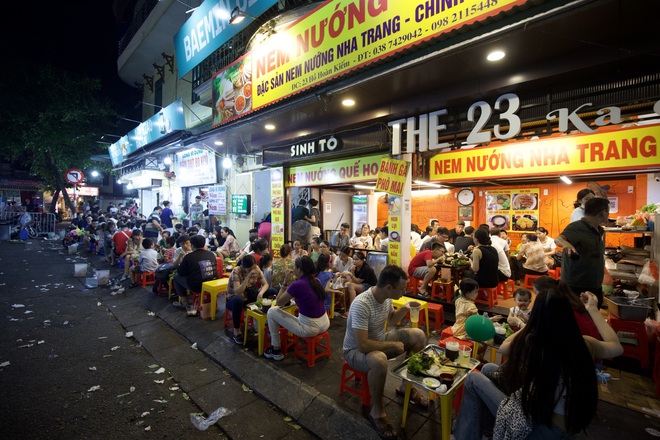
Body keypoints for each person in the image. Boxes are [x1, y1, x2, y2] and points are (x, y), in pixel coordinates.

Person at [453, 281, 622, 440]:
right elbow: (616, 346)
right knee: (489, 368)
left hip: (539, 426)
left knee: (472, 379)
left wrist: (523, 323)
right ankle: (489, 429)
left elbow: (504, 347)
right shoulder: (583, 343)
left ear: (538, 316)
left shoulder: (536, 343)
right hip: (569, 424)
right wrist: (593, 309)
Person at [342, 265, 428, 440]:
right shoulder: (362, 304)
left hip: (379, 340)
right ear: (389, 287)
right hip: (354, 351)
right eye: (402, 288)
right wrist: (393, 344)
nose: (405, 291)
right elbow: (363, 345)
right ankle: (376, 411)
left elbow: (391, 319)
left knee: (419, 336)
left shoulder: (387, 298)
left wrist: (405, 308)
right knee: (380, 360)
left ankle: (406, 387)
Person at [264, 256, 330, 361]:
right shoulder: (316, 281)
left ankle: (276, 349)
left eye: (294, 266)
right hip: (325, 323)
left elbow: (279, 302)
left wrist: (285, 283)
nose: (293, 268)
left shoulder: (297, 284)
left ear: (299, 269)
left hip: (309, 329)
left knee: (271, 312)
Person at [555, 197, 610, 307]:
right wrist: (566, 244)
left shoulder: (597, 229)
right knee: (576, 321)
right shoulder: (577, 226)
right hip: (576, 287)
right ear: (603, 212)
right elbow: (558, 239)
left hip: (593, 285)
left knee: (591, 321)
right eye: (608, 211)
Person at [226, 254, 269, 344]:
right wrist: (248, 276)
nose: (253, 270)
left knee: (271, 291)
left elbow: (266, 284)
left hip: (249, 296)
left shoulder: (256, 268)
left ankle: (269, 323)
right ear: (243, 267)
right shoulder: (236, 271)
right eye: (250, 269)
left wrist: (260, 293)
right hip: (233, 299)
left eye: (253, 267)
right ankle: (236, 331)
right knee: (238, 299)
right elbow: (238, 292)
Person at [172, 235, 218, 309]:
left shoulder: (189, 256)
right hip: (213, 282)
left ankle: (184, 301)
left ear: (192, 245)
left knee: (177, 277)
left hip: (198, 286)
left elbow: (180, 272)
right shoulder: (211, 254)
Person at [341, 251, 378, 318]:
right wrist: (352, 271)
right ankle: (344, 305)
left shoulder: (366, 269)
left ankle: (351, 310)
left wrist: (350, 274)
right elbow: (353, 280)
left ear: (362, 260)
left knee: (350, 285)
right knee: (346, 283)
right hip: (362, 284)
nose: (354, 261)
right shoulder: (355, 267)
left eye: (357, 259)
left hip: (370, 287)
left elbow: (357, 281)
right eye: (353, 259)